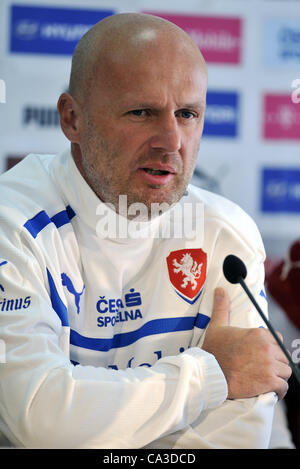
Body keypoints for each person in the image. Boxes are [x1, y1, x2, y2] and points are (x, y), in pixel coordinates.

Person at [0, 13, 291, 449]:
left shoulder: (225, 234)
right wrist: (212, 374)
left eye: (188, 114)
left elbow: (238, 435)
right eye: (142, 112)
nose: (171, 140)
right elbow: (40, 416)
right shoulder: (13, 222)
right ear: (72, 119)